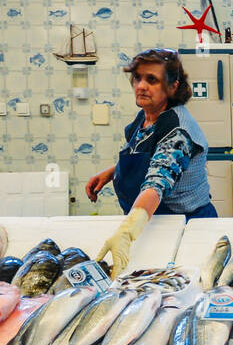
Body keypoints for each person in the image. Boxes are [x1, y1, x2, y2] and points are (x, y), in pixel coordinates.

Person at [89, 48, 217, 272]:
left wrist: (126, 233)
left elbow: (157, 182)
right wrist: (111, 173)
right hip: (151, 221)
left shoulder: (178, 130)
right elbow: (146, 153)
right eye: (137, 78)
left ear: (172, 86)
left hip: (185, 227)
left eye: (152, 80)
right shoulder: (148, 115)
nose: (140, 86)